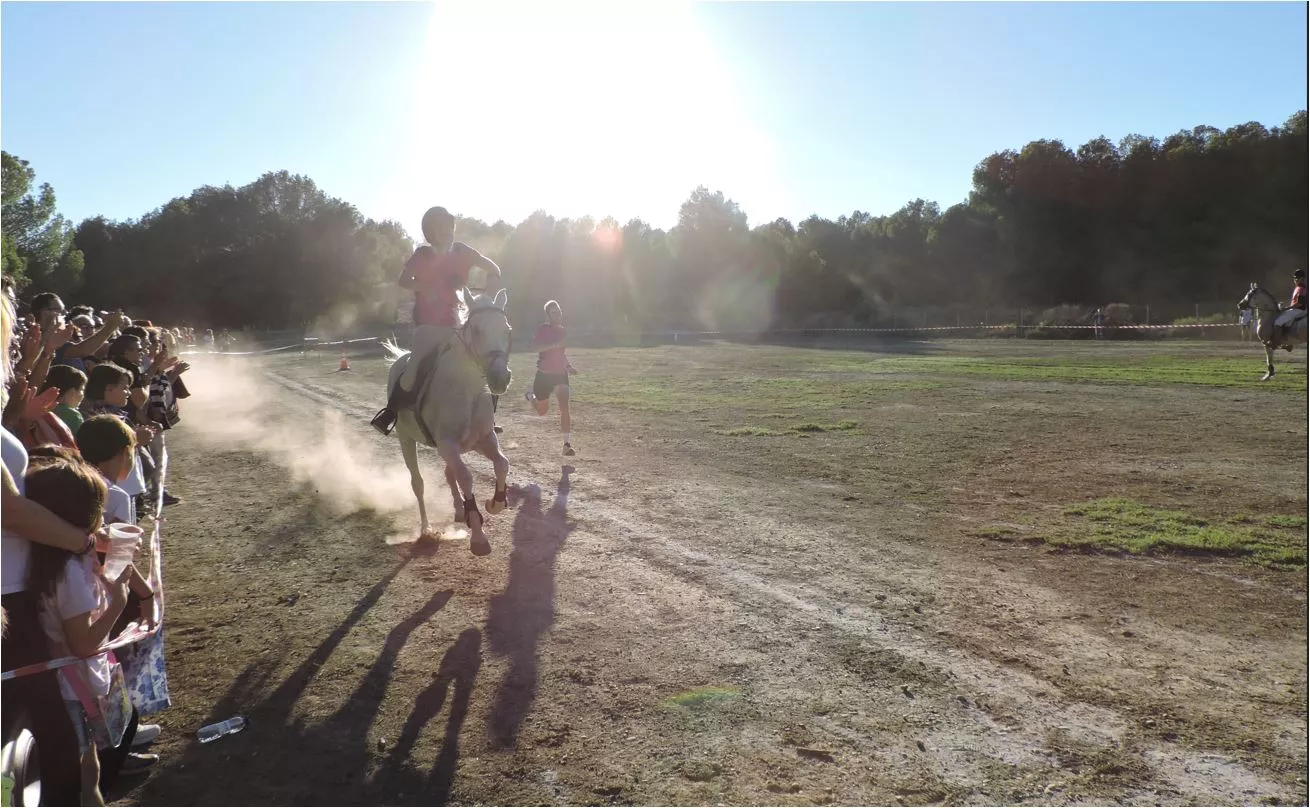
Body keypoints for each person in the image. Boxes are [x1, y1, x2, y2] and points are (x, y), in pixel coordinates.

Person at [24, 458, 159, 802]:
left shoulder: (55, 558)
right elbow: (82, 643)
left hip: (74, 680)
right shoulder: (69, 576)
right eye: (98, 510)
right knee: (85, 767)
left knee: (90, 763)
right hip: (74, 685)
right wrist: (118, 600)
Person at [370, 206, 502, 436]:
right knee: (411, 373)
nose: (446, 230)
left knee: (484, 364)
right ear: (430, 232)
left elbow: (493, 268)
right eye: (440, 227)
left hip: (457, 325)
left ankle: (487, 418)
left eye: (449, 225)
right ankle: (391, 413)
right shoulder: (422, 255)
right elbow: (403, 280)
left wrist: (490, 288)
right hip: (428, 328)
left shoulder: (463, 251)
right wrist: (425, 287)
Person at [523, 300, 577, 456]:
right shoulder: (543, 329)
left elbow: (561, 354)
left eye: (559, 311)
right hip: (544, 375)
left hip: (560, 374)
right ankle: (530, 396)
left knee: (564, 405)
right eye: (554, 312)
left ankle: (566, 444)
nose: (558, 314)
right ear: (548, 316)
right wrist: (553, 345)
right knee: (542, 411)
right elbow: (533, 348)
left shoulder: (563, 331)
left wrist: (568, 366)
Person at [42, 364, 89, 434]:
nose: (83, 395)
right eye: (82, 389)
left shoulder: (37, 408)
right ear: (71, 392)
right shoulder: (74, 416)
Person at [1273, 268, 1307, 349]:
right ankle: (1287, 342)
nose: (1294, 280)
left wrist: (1286, 308)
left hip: (1298, 310)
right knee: (1286, 322)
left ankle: (1276, 343)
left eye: (1295, 278)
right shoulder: (1300, 287)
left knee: (1277, 323)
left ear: (1301, 279)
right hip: (1299, 310)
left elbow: (1299, 304)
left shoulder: (1301, 289)